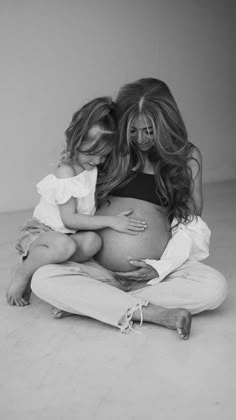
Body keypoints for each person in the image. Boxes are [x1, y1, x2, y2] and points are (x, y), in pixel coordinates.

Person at [30, 78, 227, 340]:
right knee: (42, 279)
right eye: (132, 131)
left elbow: (191, 223)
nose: (141, 139)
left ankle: (96, 304)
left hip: (154, 275)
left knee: (215, 288)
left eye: (149, 130)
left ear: (166, 124)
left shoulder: (186, 159)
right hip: (97, 269)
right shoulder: (110, 152)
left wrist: (162, 267)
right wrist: (70, 164)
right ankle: (154, 312)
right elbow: (69, 189)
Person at [6, 97, 147, 307]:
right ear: (75, 140)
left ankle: (55, 271)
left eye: (104, 156)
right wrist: (112, 221)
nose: (97, 161)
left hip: (69, 237)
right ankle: (23, 272)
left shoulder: (90, 167)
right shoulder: (66, 171)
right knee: (63, 246)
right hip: (45, 233)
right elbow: (69, 220)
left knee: (94, 242)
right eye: (92, 154)